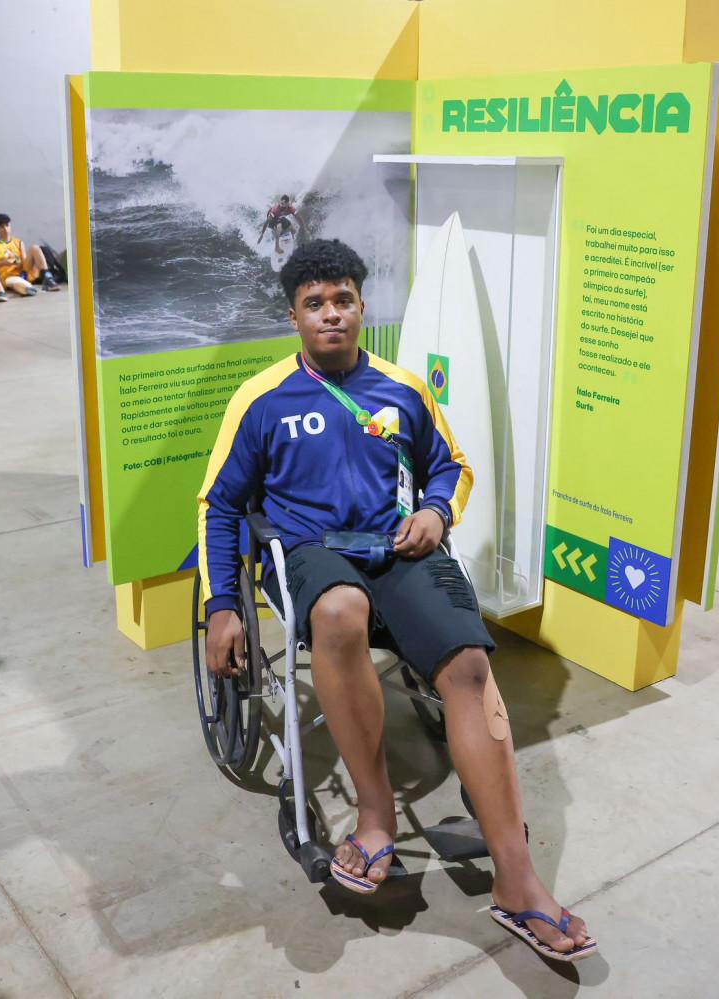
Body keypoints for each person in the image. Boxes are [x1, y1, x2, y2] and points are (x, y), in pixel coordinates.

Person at [198, 239, 596, 963]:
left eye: (343, 299)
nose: (331, 315)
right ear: (293, 315)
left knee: (470, 663)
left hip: (397, 547)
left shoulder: (403, 388)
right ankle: (375, 816)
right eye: (315, 303)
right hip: (313, 553)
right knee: (340, 612)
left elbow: (452, 464)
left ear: (361, 305)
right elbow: (219, 505)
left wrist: (439, 512)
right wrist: (224, 602)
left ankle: (518, 878)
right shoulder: (259, 401)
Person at [0, 213, 60, 302]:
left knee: (35, 248)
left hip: (21, 273)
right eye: (2, 227)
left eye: (7, 225)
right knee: (15, 283)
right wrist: (4, 263)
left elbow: (25, 263)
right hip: (6, 276)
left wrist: (18, 263)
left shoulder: (18, 242)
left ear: (10, 226)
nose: (6, 229)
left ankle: (48, 279)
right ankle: (18, 289)